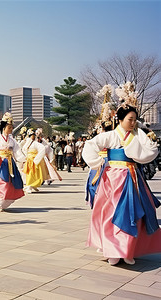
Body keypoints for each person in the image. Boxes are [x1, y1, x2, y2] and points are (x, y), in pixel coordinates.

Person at [82, 81, 161, 265]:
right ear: (120, 119)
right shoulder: (110, 136)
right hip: (112, 178)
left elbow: (151, 150)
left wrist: (142, 136)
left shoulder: (138, 134)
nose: (132, 123)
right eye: (129, 120)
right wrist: (98, 163)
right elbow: (90, 146)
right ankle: (113, 249)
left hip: (132, 177)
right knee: (110, 212)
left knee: (134, 213)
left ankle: (128, 249)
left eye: (134, 120)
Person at [22, 128, 48, 193]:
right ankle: (29, 185)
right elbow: (23, 149)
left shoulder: (36, 143)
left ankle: (31, 185)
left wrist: (37, 158)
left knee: (33, 173)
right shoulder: (27, 143)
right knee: (29, 173)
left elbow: (43, 149)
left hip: (34, 160)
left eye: (34, 135)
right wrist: (25, 157)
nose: (33, 137)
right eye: (31, 136)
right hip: (29, 160)